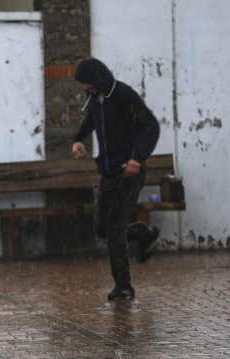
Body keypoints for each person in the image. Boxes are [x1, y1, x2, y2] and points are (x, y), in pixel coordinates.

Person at [72, 58, 160, 300]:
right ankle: (144, 234)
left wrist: (137, 157)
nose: (84, 88)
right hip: (109, 172)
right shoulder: (95, 100)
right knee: (102, 227)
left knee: (114, 227)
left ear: (98, 79)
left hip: (129, 171)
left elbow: (151, 126)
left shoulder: (123, 95)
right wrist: (78, 139)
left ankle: (123, 285)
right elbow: (91, 120)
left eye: (86, 83)